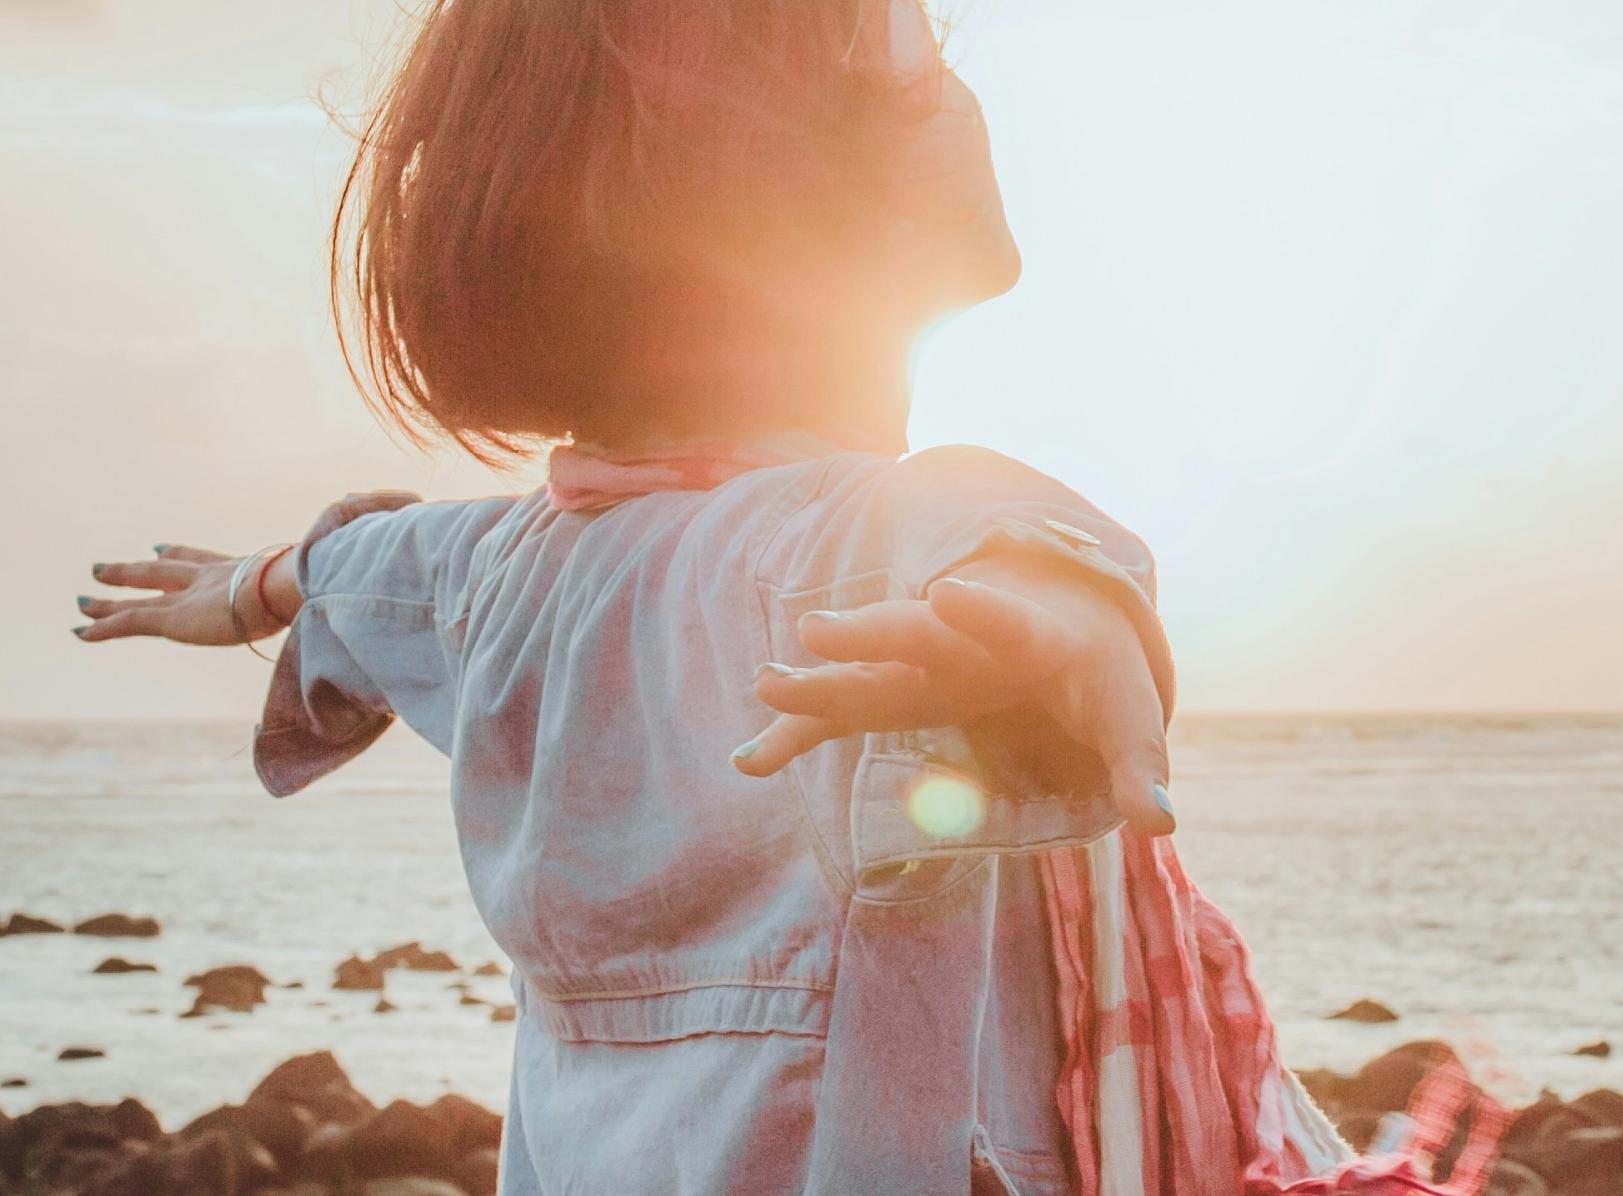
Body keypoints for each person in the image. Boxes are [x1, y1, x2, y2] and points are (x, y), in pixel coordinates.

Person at [74, 1, 1492, 1192]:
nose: (955, 90)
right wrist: (1056, 631)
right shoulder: (847, 537)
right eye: (918, 65)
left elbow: (357, 572)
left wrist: (251, 587)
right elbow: (1003, 541)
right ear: (776, 184)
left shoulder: (497, 571)